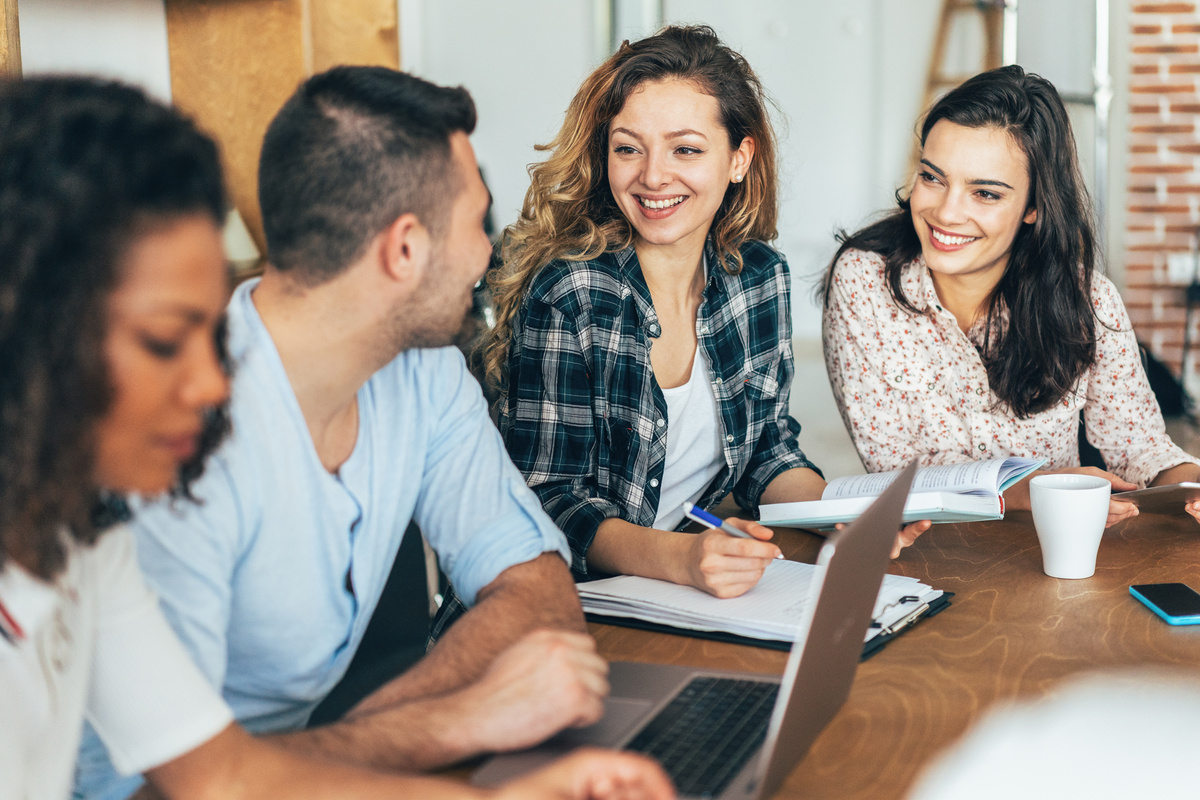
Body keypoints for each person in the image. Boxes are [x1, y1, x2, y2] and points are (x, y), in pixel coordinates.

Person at [0, 75, 672, 800]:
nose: (211, 385)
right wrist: (456, 720)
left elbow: (220, 775)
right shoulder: (159, 479)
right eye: (166, 341)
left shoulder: (86, 539)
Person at [482, 25, 927, 601]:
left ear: (739, 158)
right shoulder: (570, 291)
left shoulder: (758, 276)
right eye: (628, 148)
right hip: (566, 602)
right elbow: (548, 497)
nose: (653, 176)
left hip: (678, 592)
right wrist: (684, 558)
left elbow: (766, 449)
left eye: (685, 149)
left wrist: (839, 515)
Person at [822, 65, 1200, 525]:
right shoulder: (864, 281)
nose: (946, 212)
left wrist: (1186, 484)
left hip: (1053, 547)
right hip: (927, 550)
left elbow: (1140, 449)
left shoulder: (1090, 301)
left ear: (1035, 207)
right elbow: (890, 473)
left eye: (985, 193)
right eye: (933, 177)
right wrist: (1018, 492)